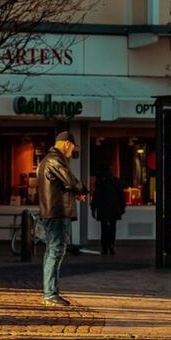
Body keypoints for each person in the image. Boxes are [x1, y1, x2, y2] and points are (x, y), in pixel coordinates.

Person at [36, 131, 87, 306]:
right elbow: (70, 181)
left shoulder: (48, 160)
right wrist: (82, 190)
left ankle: (49, 291)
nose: (72, 151)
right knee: (56, 251)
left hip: (51, 212)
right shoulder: (55, 159)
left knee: (52, 251)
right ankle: (50, 293)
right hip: (57, 213)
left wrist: (75, 192)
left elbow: (64, 183)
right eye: (72, 147)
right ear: (66, 143)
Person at [91, 166, 125, 256]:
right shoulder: (116, 181)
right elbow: (121, 195)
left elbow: (96, 196)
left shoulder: (100, 182)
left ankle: (104, 247)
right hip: (114, 207)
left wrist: (93, 208)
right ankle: (111, 244)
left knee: (104, 227)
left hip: (103, 208)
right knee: (113, 227)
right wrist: (122, 207)